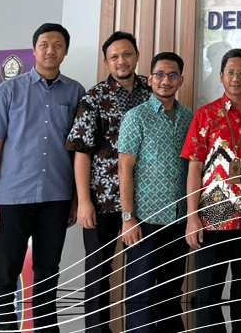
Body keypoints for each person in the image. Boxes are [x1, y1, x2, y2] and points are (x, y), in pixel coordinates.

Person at [0, 23, 85, 333]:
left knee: (48, 275)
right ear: (34, 50)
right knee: (4, 277)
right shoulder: (9, 90)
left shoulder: (75, 92)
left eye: (58, 45)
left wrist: (75, 199)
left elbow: (79, 150)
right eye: (44, 44)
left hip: (57, 198)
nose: (51, 50)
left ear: (66, 50)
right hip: (12, 198)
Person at [182, 48, 241, 333]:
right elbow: (194, 168)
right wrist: (192, 216)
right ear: (221, 76)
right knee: (208, 296)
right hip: (213, 217)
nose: (235, 78)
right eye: (230, 72)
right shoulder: (206, 115)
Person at [65, 30, 151, 333]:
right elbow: (82, 152)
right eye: (114, 57)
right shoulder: (94, 97)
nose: (121, 61)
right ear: (106, 62)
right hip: (101, 200)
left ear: (137, 56)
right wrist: (84, 202)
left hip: (145, 200)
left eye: (127, 54)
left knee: (142, 274)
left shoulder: (152, 90)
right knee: (98, 273)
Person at [118, 51, 193, 333]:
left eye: (172, 75)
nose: (165, 80)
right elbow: (124, 169)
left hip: (179, 220)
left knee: (170, 296)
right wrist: (128, 218)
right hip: (144, 221)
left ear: (181, 80)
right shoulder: (136, 117)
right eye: (160, 74)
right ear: (149, 79)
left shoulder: (189, 118)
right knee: (141, 297)